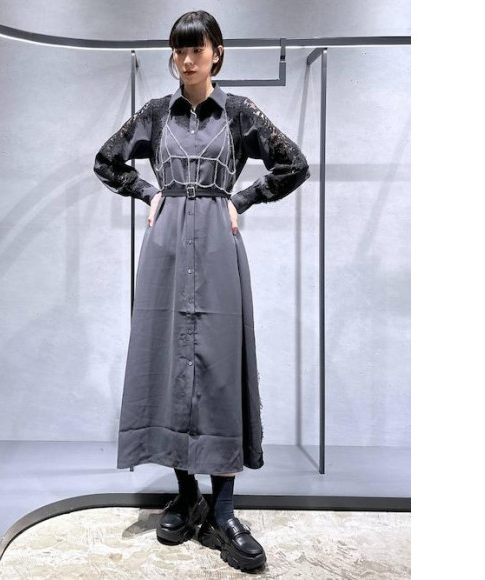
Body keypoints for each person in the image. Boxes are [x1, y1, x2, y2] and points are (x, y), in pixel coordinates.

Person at [94, 10, 310, 572]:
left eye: (198, 49)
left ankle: (224, 510)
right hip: (166, 247)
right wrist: (149, 192)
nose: (188, 59)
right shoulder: (155, 113)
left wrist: (243, 199)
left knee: (219, 367)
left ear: (217, 53)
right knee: (168, 361)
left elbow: (294, 164)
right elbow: (106, 161)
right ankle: (187, 495)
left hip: (217, 244)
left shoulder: (239, 113)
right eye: (179, 49)